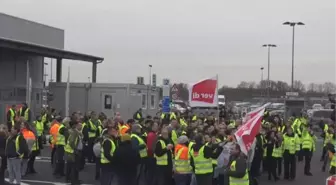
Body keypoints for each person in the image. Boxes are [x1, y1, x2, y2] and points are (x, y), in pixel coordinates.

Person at [65, 119, 83, 185]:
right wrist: (75, 149)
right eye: (77, 124)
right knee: (75, 167)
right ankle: (75, 181)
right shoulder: (74, 132)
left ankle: (69, 178)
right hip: (72, 152)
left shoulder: (73, 131)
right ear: (74, 125)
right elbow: (72, 142)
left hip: (70, 151)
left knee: (70, 166)